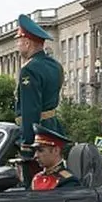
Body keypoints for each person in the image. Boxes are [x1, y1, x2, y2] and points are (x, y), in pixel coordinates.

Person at [13, 14, 65, 186]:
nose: (17, 45)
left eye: (18, 40)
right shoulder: (55, 66)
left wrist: (28, 145)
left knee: (35, 188)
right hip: (53, 130)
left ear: (27, 42)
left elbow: (30, 110)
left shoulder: (29, 69)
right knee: (55, 181)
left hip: (37, 137)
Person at [30, 125, 81, 190]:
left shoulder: (68, 181)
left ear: (56, 150)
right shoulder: (37, 178)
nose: (35, 156)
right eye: (35, 151)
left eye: (40, 150)